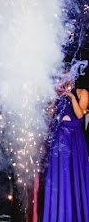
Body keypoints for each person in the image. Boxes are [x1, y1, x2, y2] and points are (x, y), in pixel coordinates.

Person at [41, 62, 89, 221]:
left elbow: (80, 115)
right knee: (58, 177)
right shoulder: (58, 94)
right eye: (62, 76)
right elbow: (49, 116)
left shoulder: (82, 93)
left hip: (74, 141)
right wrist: (53, 99)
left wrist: (71, 97)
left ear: (74, 77)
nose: (65, 80)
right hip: (58, 141)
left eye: (68, 76)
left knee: (73, 176)